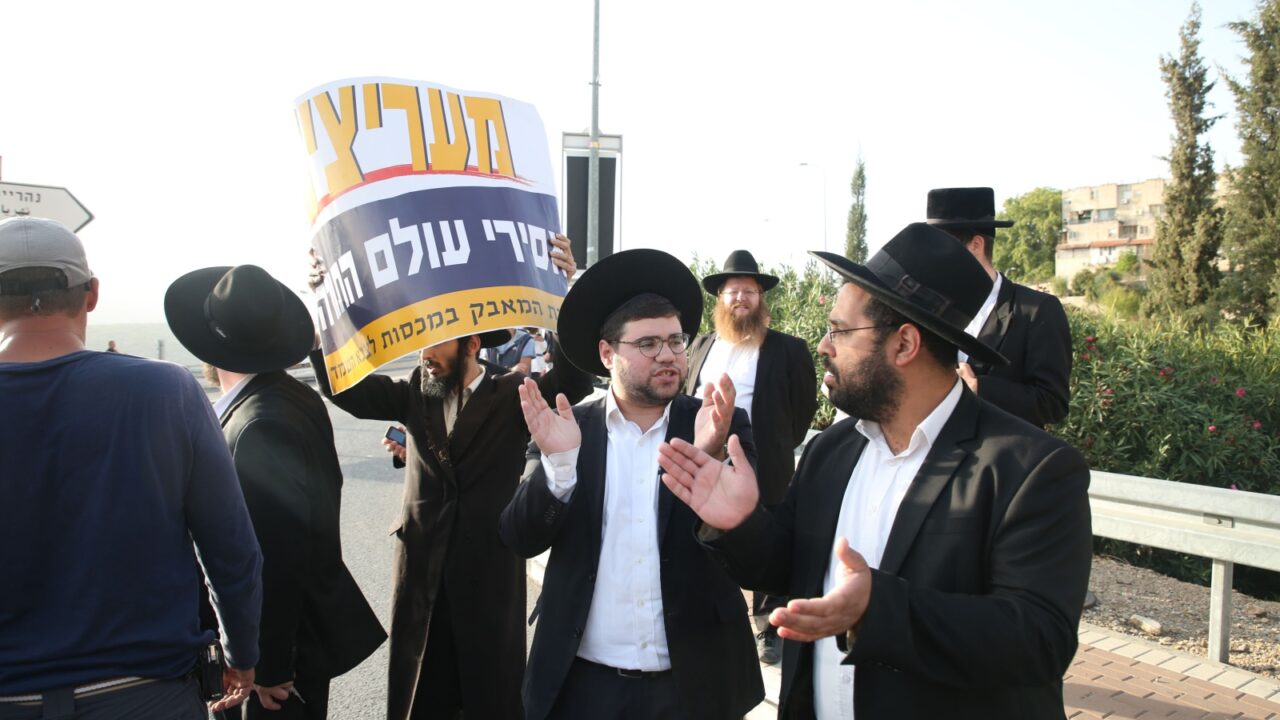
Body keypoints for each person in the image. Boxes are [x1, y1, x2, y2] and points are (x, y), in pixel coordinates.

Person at [657, 223, 1093, 719]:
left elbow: (1038, 640)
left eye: (841, 330)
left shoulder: (1030, 469)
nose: (823, 345)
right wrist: (739, 522)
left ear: (904, 344)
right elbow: (788, 569)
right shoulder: (834, 450)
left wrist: (875, 610)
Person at [310, 233, 593, 720]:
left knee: (488, 696)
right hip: (422, 575)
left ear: (473, 344)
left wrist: (565, 291)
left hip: (488, 575)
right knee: (423, 694)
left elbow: (573, 381)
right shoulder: (413, 393)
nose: (424, 349)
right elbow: (346, 390)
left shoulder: (513, 395)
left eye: (436, 338)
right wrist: (322, 314)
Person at [0, 217, 262, 718]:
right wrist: (242, 655)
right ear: (91, 294)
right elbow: (232, 548)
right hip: (147, 694)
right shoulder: (166, 391)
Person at [500, 248, 765, 720]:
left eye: (676, 341)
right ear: (607, 353)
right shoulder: (567, 430)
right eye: (647, 344)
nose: (667, 355)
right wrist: (560, 469)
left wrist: (706, 458)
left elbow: (754, 559)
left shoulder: (719, 425)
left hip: (694, 687)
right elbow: (520, 536)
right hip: (583, 686)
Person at [165, 264, 386, 719]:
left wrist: (266, 665)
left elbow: (275, 555)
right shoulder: (287, 396)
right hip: (289, 646)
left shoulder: (260, 423)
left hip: (277, 663)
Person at [686, 249, 817, 665]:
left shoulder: (788, 349)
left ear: (761, 299)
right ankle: (704, 609)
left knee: (763, 540)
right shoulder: (702, 345)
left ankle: (767, 629)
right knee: (700, 536)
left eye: (749, 291)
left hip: (762, 461)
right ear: (719, 300)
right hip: (704, 458)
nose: (741, 298)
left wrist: (773, 447)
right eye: (732, 292)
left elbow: (803, 411)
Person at [925, 187, 1073, 427]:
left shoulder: (1036, 310)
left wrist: (979, 388)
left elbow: (1053, 403)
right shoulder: (928, 310)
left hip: (1004, 460)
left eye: (943, 249)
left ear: (976, 245)